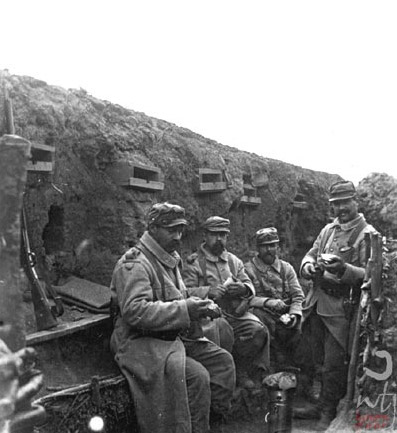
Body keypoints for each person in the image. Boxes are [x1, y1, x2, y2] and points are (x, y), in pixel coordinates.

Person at [110, 203, 235, 433]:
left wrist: (202, 307)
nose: (178, 236)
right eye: (171, 230)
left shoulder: (168, 258)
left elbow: (180, 296)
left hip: (171, 338)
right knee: (197, 377)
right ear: (153, 228)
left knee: (222, 364)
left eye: (180, 230)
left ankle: (211, 425)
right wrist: (186, 309)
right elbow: (135, 311)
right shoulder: (136, 263)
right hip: (140, 343)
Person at [294, 180, 377, 431]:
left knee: (333, 362)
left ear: (356, 201)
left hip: (341, 307)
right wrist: (308, 266)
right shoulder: (328, 230)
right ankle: (318, 403)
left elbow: (372, 275)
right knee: (313, 355)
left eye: (344, 202)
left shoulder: (366, 234)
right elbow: (311, 252)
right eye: (335, 204)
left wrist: (344, 269)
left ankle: (329, 409)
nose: (340, 208)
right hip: (316, 301)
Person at [182, 216, 269, 390]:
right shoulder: (194, 263)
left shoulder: (233, 261)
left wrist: (243, 289)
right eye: (215, 235)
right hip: (207, 317)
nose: (219, 239)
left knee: (258, 330)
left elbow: (249, 284)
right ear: (205, 236)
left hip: (233, 313)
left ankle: (242, 370)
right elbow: (184, 292)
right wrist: (208, 291)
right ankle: (220, 380)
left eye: (223, 235)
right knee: (223, 330)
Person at [244, 227, 305, 370]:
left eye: (272, 246)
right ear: (258, 248)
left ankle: (299, 371)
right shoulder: (248, 269)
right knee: (259, 325)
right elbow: (246, 298)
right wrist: (269, 302)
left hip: (285, 314)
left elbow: (298, 296)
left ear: (278, 247)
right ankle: (265, 368)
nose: (269, 250)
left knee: (302, 327)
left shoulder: (286, 268)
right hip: (263, 314)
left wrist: (295, 314)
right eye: (264, 246)